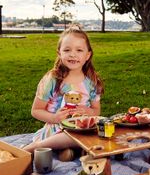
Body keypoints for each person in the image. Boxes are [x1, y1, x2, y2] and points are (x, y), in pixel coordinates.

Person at [23, 25, 103, 161]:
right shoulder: (53, 79)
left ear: (87, 55)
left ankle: (66, 150)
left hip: (82, 126)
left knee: (103, 127)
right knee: (71, 135)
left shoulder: (92, 81)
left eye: (79, 50)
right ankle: (36, 146)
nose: (73, 54)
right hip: (57, 128)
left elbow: (96, 111)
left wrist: (89, 111)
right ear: (59, 53)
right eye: (67, 50)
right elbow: (36, 110)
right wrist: (55, 118)